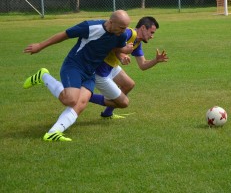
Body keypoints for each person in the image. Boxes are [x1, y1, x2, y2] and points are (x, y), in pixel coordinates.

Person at [23, 10, 132, 142]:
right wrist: (40, 45)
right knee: (70, 100)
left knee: (81, 103)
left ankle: (54, 132)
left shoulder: (121, 35)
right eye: (122, 27)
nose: (124, 30)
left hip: (90, 72)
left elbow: (116, 48)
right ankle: (44, 76)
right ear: (111, 22)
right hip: (74, 66)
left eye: (126, 27)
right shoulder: (90, 27)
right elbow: (64, 35)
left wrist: (123, 55)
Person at [89, 16, 168, 118]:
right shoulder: (128, 33)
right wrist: (122, 56)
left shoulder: (137, 42)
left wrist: (156, 60)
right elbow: (110, 45)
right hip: (100, 70)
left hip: (111, 67)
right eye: (151, 32)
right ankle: (85, 96)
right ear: (143, 28)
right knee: (122, 103)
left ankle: (107, 114)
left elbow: (143, 65)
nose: (152, 36)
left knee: (129, 84)